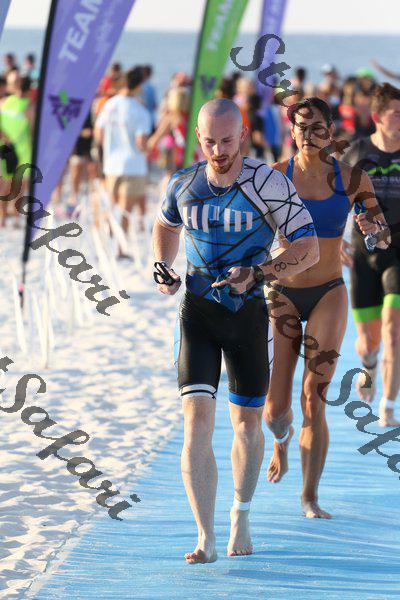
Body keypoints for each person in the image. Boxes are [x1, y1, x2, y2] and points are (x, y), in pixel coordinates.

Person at [152, 98, 319, 563]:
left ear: (243, 135)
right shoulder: (182, 183)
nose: (218, 150)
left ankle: (240, 513)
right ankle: (204, 537)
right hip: (197, 314)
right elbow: (165, 226)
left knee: (247, 423)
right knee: (195, 421)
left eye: (227, 140)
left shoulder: (268, 183)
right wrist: (162, 267)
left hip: (249, 315)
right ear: (198, 138)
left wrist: (259, 273)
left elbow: (307, 247)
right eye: (209, 142)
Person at [263, 97, 389, 519]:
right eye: (301, 127)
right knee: (275, 411)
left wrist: (373, 230)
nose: (309, 134)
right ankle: (281, 441)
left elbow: (382, 234)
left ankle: (309, 496)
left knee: (313, 396)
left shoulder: (352, 178)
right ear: (291, 131)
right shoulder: (274, 178)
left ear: (330, 131)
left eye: (317, 126)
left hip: (329, 293)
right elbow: (255, 235)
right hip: (282, 294)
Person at [344, 83, 400, 426]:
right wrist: (335, 241)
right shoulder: (357, 154)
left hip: (398, 254)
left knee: (393, 330)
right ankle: (368, 365)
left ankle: (388, 407)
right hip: (364, 255)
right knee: (368, 342)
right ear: (378, 117)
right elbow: (334, 200)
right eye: (396, 114)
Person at [95, 66, 151, 243]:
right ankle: (120, 246)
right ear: (139, 86)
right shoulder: (141, 110)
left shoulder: (109, 105)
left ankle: (106, 240)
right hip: (133, 165)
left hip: (111, 163)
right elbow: (141, 143)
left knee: (111, 205)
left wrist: (109, 146)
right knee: (125, 210)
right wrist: (150, 147)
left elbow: (99, 133)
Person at [0, 75, 34, 226]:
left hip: (18, 148)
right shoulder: (10, 102)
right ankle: (8, 217)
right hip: (12, 148)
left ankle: (9, 217)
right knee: (11, 185)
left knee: (13, 185)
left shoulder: (27, 105)